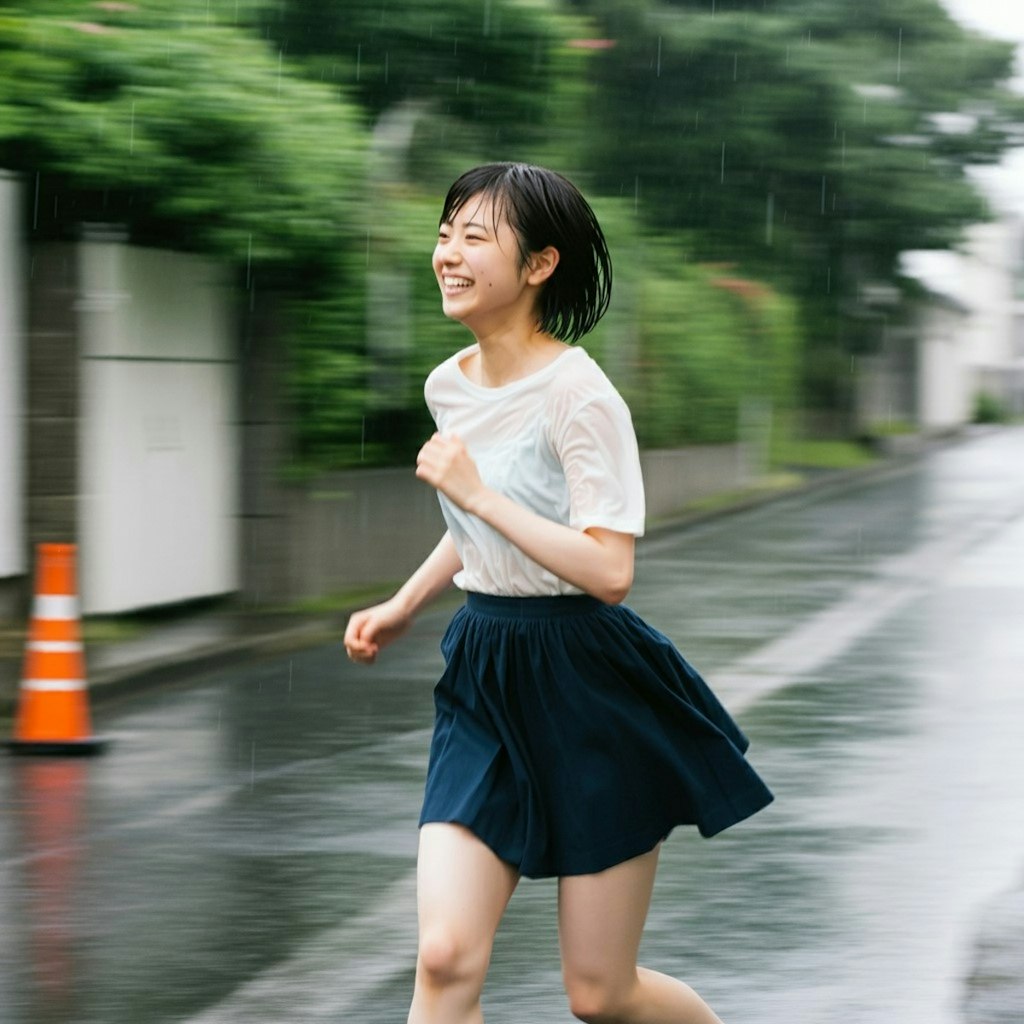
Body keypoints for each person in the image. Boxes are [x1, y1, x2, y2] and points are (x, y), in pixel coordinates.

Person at [344, 162, 773, 1024]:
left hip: (589, 682)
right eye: (444, 233)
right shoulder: (449, 384)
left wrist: (476, 495)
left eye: (475, 238)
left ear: (540, 265)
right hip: (486, 671)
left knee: (600, 994)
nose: (448, 255)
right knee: (444, 954)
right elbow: (489, 524)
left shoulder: (581, 396)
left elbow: (608, 570)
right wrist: (408, 600)